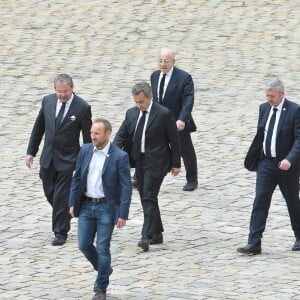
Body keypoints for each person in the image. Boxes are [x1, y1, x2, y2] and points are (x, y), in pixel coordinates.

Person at [25, 73, 92, 246]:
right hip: (48, 158)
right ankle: (70, 209)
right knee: (50, 193)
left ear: (72, 88)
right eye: (59, 91)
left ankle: (60, 232)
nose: (62, 95)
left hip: (69, 160)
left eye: (65, 91)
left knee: (61, 197)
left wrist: (86, 162)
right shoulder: (47, 101)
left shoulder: (82, 107)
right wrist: (31, 151)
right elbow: (39, 127)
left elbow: (87, 139)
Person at [113, 81, 181, 251]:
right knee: (146, 196)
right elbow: (121, 135)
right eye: (136, 101)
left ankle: (146, 235)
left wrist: (176, 163)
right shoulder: (131, 114)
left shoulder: (164, 114)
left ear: (150, 97)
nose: (139, 105)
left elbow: (175, 140)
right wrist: (111, 154)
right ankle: (157, 232)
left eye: (141, 102)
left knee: (149, 195)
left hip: (158, 161)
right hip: (139, 160)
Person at [69, 118, 131, 300]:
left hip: (106, 207)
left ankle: (100, 288)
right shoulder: (85, 150)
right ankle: (105, 268)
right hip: (87, 205)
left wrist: (122, 213)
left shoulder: (120, 156)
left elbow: (126, 186)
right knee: (83, 244)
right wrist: (73, 202)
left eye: (96, 133)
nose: (92, 136)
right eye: (91, 133)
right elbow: (77, 177)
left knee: (103, 249)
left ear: (107, 134)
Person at [238, 78, 300, 255]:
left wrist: (290, 159)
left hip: (286, 166)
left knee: (292, 202)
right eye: (267, 96)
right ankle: (254, 242)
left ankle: (299, 235)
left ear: (282, 94)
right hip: (266, 164)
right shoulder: (264, 108)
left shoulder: (295, 110)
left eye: (272, 96)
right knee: (260, 201)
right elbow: (261, 133)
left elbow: (299, 138)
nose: (269, 99)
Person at [150, 47, 198, 191]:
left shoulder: (184, 78)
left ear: (173, 62)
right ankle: (144, 177)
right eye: (160, 61)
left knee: (186, 150)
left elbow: (188, 101)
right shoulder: (154, 76)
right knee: (153, 149)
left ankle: (192, 179)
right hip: (159, 121)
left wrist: (182, 119)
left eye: (166, 61)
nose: (163, 64)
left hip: (177, 121)